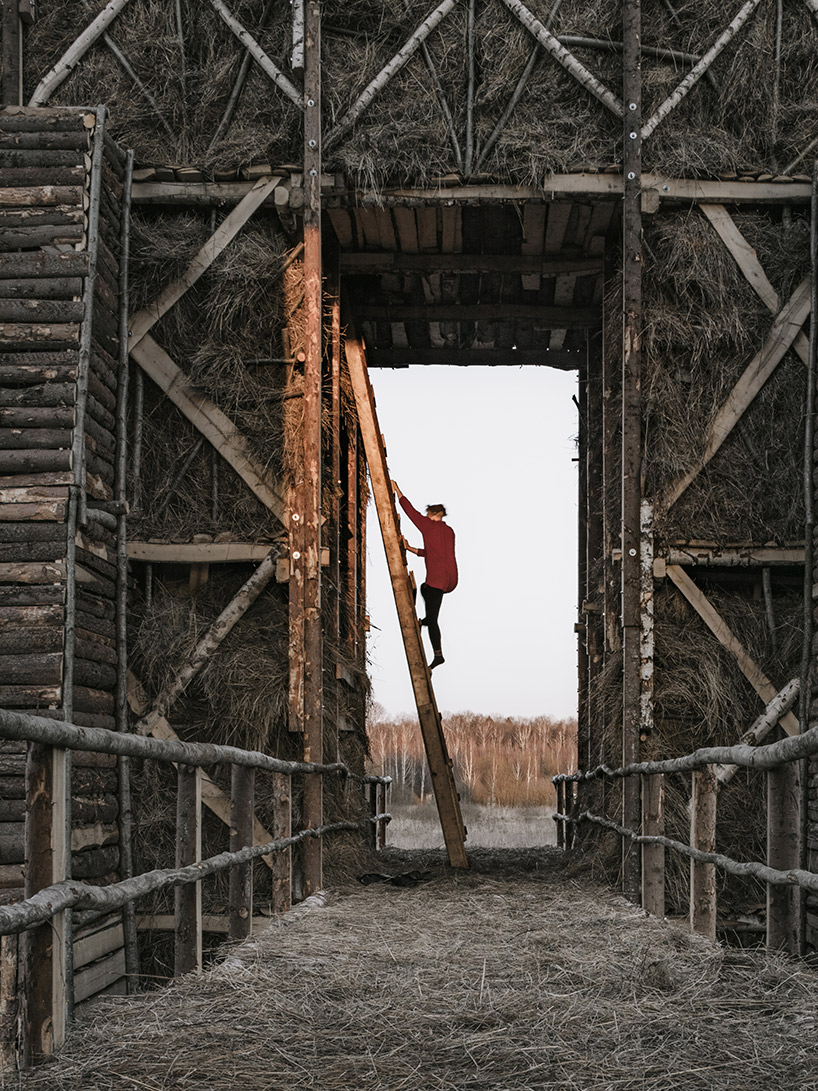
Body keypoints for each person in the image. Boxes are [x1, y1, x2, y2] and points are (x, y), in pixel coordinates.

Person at [392, 480, 457, 670]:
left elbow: (411, 513)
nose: (426, 516)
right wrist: (410, 548)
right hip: (450, 579)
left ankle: (438, 655)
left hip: (436, 580)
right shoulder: (449, 531)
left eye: (428, 513)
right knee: (425, 592)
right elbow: (434, 553)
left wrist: (398, 490)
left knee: (431, 610)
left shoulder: (428, 526)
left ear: (434, 514)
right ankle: (425, 620)